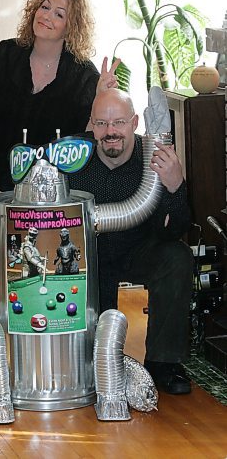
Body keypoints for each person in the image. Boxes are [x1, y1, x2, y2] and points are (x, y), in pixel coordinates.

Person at [68, 88, 194, 395]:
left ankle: (164, 363)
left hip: (139, 246)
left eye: (119, 122)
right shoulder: (73, 156)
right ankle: (86, 359)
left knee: (177, 257)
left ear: (135, 122)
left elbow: (174, 229)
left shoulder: (152, 156)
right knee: (95, 358)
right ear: (92, 125)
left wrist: (176, 186)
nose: (111, 132)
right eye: (101, 123)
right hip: (89, 252)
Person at [0, 0, 120, 205]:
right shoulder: (4, 54)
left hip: (43, 187)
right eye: (45, 7)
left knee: (35, 241)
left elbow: (85, 137)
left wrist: (100, 96)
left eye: (59, 14)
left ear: (71, 26)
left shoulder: (84, 75)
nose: (47, 16)